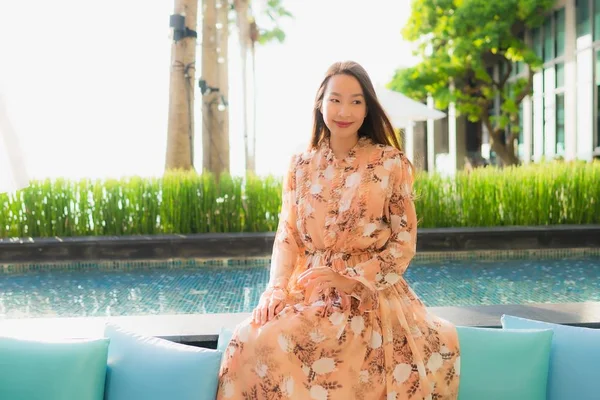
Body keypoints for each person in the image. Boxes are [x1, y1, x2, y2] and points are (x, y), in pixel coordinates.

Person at [217, 61, 460, 400]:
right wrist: (274, 290)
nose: (344, 110)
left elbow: (403, 243)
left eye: (356, 101)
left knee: (346, 358)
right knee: (248, 337)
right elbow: (287, 235)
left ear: (367, 108)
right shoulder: (300, 165)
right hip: (309, 290)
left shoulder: (390, 163)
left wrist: (351, 279)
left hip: (368, 295)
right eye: (335, 99)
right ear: (320, 103)